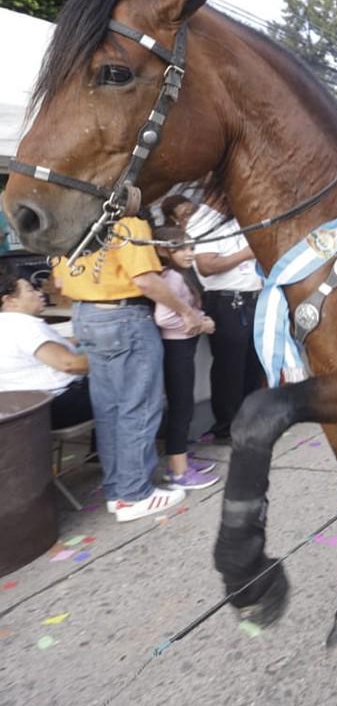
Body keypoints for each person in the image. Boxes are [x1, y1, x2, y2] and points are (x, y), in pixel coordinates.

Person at [53, 216, 202, 522]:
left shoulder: (67, 224)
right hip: (124, 317)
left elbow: (58, 282)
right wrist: (187, 311)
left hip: (86, 314)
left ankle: (118, 492)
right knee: (139, 407)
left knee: (109, 410)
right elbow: (146, 280)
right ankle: (136, 494)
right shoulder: (127, 224)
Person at [152, 226, 219, 490]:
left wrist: (201, 319)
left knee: (184, 406)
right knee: (182, 408)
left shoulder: (177, 276)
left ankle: (178, 460)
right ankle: (178, 473)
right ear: (164, 250)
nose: (189, 253)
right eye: (181, 248)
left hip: (182, 347)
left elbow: (185, 311)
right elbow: (165, 317)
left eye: (191, 247)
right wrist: (201, 325)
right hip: (176, 349)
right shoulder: (171, 278)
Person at [194, 215, 264, 440]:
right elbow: (205, 266)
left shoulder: (248, 221)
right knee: (230, 367)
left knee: (254, 363)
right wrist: (246, 253)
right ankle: (228, 426)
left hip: (254, 298)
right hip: (227, 301)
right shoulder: (209, 224)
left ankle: (252, 421)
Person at [0, 273, 91, 429]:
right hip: (56, 407)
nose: (39, 293)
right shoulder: (24, 325)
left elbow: (41, 352)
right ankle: (115, 452)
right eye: (30, 290)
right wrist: (111, 359)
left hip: (19, 410)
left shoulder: (6, 325)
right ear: (10, 301)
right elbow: (70, 364)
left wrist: (77, 339)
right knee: (126, 388)